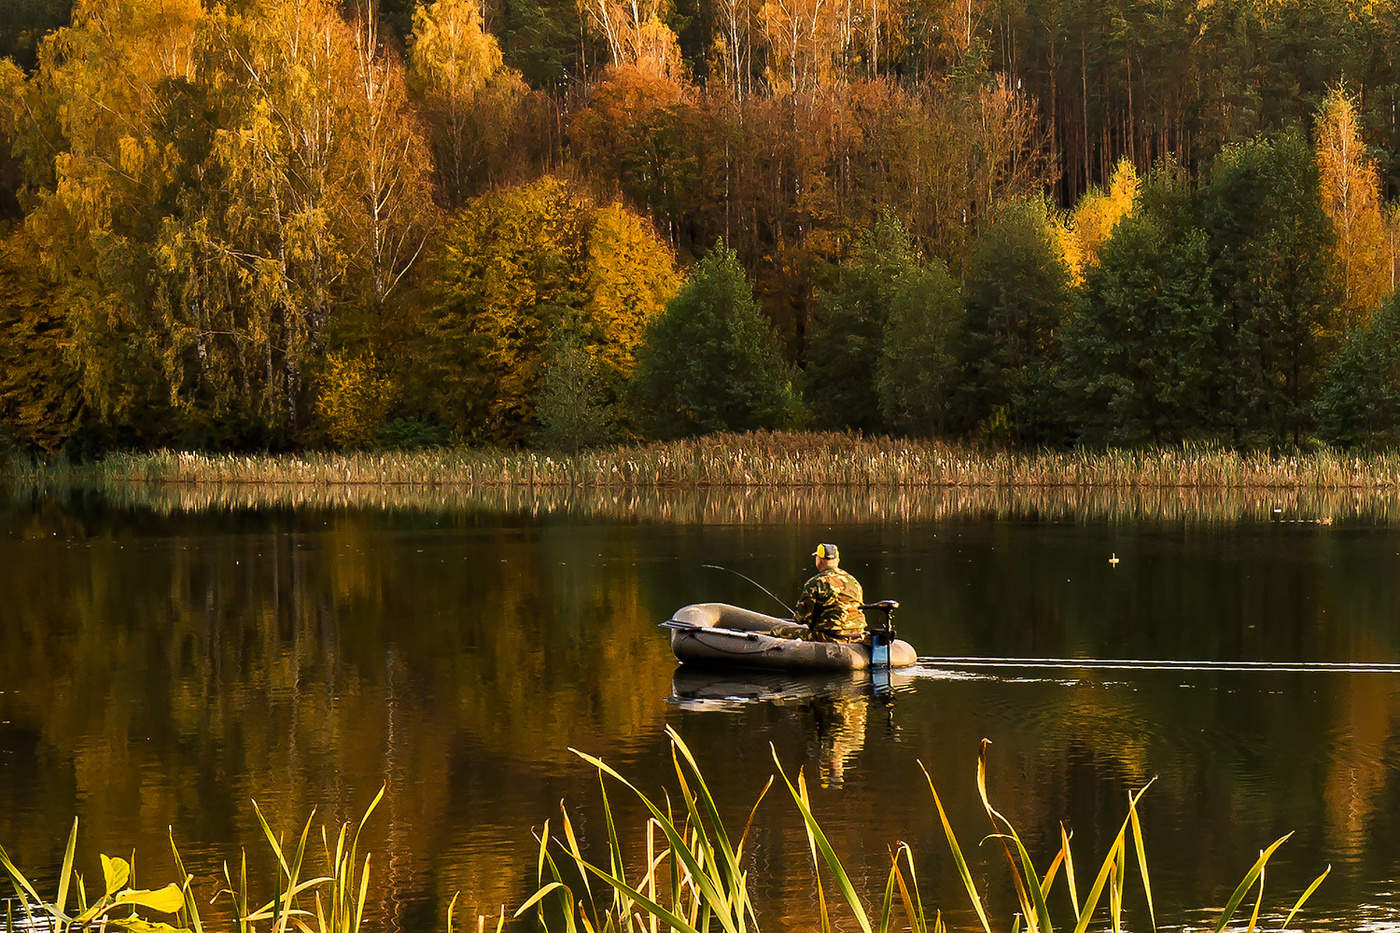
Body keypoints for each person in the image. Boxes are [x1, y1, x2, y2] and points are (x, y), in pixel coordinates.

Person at [794, 543, 867, 643]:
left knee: (778, 631)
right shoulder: (853, 581)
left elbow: (801, 617)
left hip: (830, 636)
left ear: (819, 560)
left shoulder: (816, 582)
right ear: (837, 560)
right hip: (857, 634)